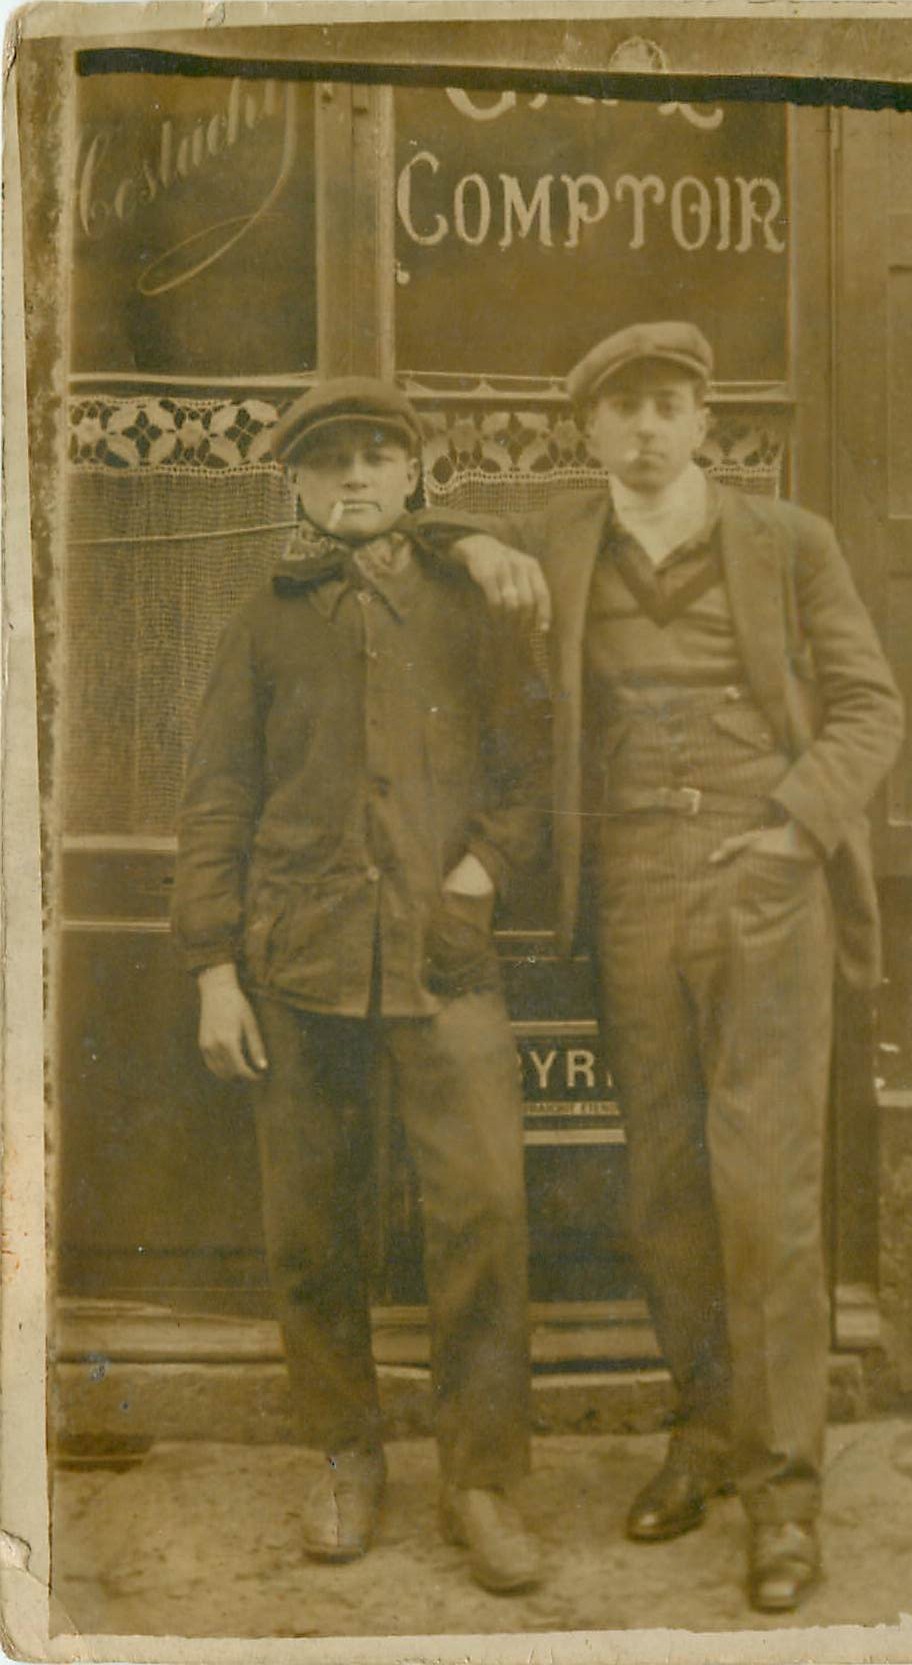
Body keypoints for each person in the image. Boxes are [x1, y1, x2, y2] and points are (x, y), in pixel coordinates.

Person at [422, 321, 904, 1613]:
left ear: (703, 422)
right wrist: (469, 545)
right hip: (629, 893)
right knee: (665, 1187)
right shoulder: (556, 536)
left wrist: (791, 830)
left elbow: (871, 705)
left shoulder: (787, 541)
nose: (645, 427)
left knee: (767, 1191)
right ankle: (703, 1434)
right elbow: (418, 518)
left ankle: (783, 1496)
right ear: (586, 429)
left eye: (668, 404)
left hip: (762, 891)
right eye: (622, 407)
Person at [171, 377, 548, 1594]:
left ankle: (480, 1481)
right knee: (311, 1228)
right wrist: (213, 968)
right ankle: (343, 1455)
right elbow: (216, 799)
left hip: (446, 960)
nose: (352, 478)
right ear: (295, 483)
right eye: (327, 461)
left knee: (482, 1214)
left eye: (375, 457)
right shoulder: (264, 622)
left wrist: (478, 877)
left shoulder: (471, 600)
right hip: (300, 965)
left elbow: (529, 768)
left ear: (413, 476)